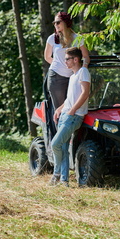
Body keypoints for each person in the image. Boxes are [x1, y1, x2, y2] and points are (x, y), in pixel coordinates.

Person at [50, 47, 91, 187]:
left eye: (67, 59)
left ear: (75, 59)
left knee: (55, 144)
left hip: (73, 117)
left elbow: (85, 93)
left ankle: (56, 174)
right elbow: (69, 98)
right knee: (63, 148)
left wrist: (72, 110)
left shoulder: (83, 72)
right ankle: (64, 180)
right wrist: (60, 109)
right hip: (65, 114)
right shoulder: (73, 76)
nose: (65, 61)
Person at [44, 12, 90, 113]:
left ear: (66, 22)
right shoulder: (52, 38)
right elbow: (47, 57)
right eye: (54, 23)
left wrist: (83, 68)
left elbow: (86, 56)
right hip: (56, 77)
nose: (55, 25)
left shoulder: (77, 38)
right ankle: (59, 129)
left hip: (74, 78)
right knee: (60, 111)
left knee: (74, 107)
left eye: (58, 22)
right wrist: (59, 64)